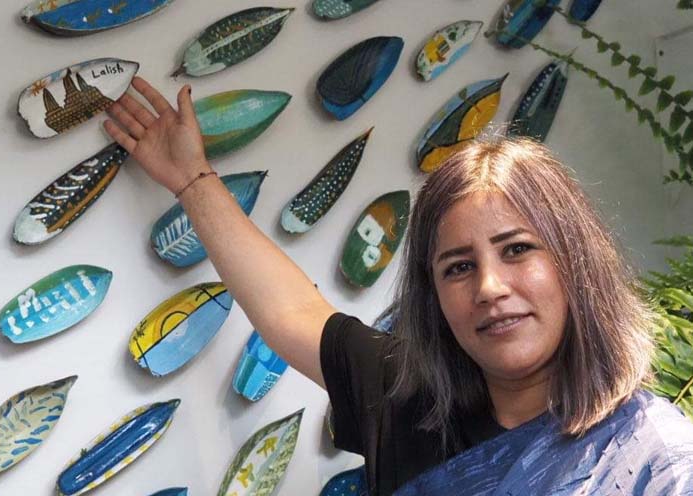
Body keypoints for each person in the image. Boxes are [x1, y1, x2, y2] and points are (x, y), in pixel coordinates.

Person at [104, 77, 693, 495]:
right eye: (457, 267)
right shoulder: (410, 399)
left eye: (517, 250)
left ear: (574, 262)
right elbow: (290, 311)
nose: (490, 287)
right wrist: (192, 180)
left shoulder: (656, 459)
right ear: (432, 295)